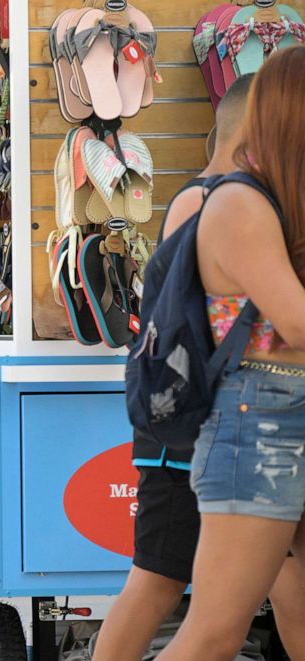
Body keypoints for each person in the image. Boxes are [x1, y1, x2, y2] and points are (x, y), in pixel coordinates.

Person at [94, 73, 305, 661]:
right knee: (166, 584)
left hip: (243, 411)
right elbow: (223, 319)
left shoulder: (250, 200)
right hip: (203, 422)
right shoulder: (216, 200)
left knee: (269, 594)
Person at [156, 48, 305, 661]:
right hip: (260, 420)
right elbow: (295, 322)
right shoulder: (238, 203)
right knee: (214, 632)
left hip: (274, 416)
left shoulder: (273, 205)